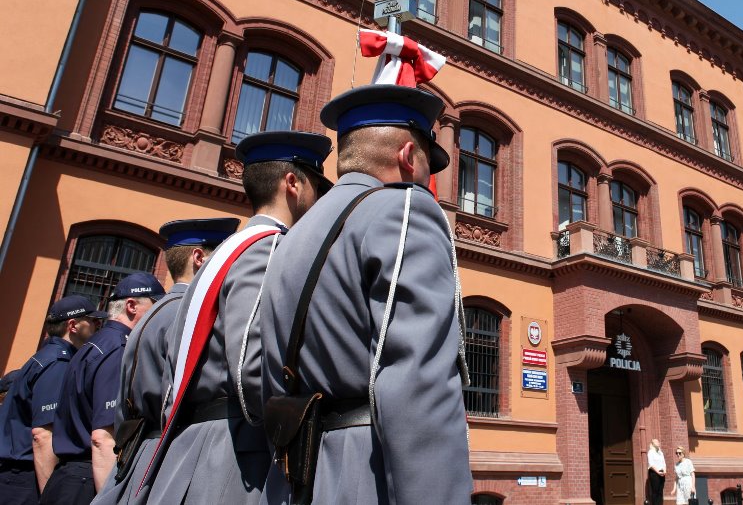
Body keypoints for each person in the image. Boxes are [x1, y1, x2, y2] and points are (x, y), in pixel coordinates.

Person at [261, 85, 472, 504]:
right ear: (409, 156)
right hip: (368, 472)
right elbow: (418, 381)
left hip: (297, 474)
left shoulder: (292, 235)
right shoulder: (404, 209)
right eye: (429, 168)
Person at [144, 131, 331, 505]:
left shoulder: (223, 252)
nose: (319, 200)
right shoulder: (269, 248)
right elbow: (251, 367)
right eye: (316, 186)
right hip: (233, 456)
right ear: (292, 183)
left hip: (195, 445)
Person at [92, 217, 238, 505]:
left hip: (141, 455)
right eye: (222, 255)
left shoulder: (154, 314)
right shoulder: (190, 316)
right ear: (199, 258)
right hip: (173, 458)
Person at [40, 274, 164, 505]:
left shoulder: (96, 344)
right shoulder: (118, 349)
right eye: (155, 305)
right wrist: (111, 499)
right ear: (131, 306)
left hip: (70, 477)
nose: (160, 314)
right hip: (88, 477)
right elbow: (103, 439)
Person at [0, 296, 105, 504]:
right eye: (92, 320)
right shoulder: (58, 363)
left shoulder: (48, 356)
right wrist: (49, 495)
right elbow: (43, 436)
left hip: (18, 476)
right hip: (25, 478)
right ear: (73, 325)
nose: (97, 326)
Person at [647, 438, 667, 505]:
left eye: (658, 441)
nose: (658, 442)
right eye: (656, 441)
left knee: (660, 491)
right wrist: (658, 472)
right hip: (654, 473)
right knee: (655, 492)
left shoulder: (660, 453)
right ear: (652, 444)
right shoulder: (651, 452)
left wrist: (664, 471)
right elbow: (651, 464)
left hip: (662, 473)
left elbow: (664, 463)